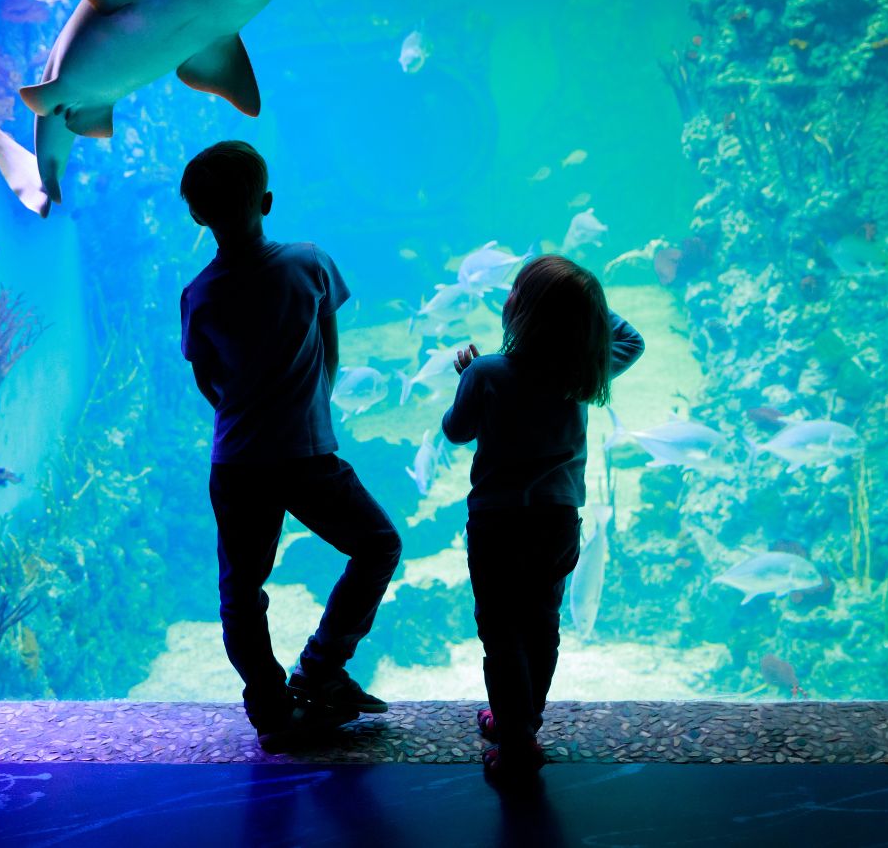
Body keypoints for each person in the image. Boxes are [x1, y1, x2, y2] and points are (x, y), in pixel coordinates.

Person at [179, 141, 402, 752]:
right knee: (378, 545)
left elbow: (209, 380)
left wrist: (248, 412)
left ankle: (270, 708)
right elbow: (332, 348)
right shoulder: (309, 264)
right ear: (268, 202)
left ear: (198, 216)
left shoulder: (198, 294)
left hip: (238, 462)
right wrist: (310, 404)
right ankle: (321, 670)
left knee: (242, 591)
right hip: (306, 456)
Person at [441, 254, 644, 778]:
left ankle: (514, 742)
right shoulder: (582, 371)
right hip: (557, 525)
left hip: (498, 526)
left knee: (501, 633)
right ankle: (522, 721)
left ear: (519, 312)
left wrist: (468, 380)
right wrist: (583, 304)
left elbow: (455, 431)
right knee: (541, 625)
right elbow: (633, 340)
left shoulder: (486, 371)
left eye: (514, 293)